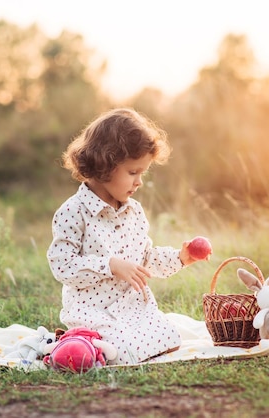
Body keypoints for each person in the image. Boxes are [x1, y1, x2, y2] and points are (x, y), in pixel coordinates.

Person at [47, 108, 207, 365]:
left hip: (132, 308)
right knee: (125, 352)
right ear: (104, 166)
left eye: (142, 173)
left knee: (170, 337)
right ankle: (81, 339)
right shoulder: (73, 212)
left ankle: (98, 344)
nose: (139, 182)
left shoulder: (134, 212)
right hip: (93, 311)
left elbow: (146, 259)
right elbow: (62, 266)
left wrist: (180, 257)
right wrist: (109, 265)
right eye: (133, 173)